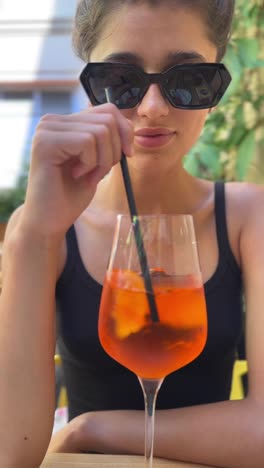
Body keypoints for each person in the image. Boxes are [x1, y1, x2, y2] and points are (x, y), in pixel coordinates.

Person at [1, 0, 264, 467]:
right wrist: (35, 234)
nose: (153, 108)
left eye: (188, 81)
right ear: (89, 83)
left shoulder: (251, 216)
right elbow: (12, 452)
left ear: (216, 85)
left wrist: (93, 428)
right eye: (121, 81)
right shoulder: (42, 228)